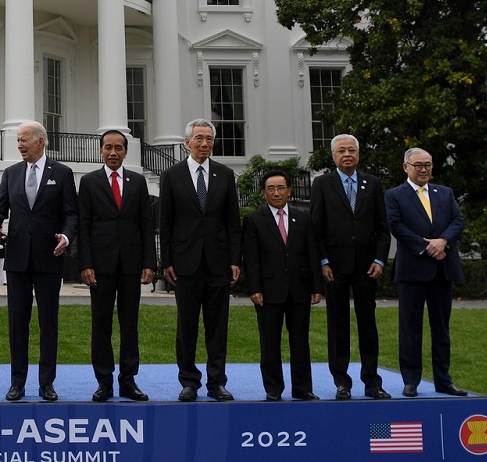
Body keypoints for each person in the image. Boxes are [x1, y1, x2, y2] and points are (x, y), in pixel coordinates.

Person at [0, 121, 78, 402]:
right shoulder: (11, 173)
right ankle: (17, 383)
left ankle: (46, 383)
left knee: (48, 322)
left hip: (50, 256)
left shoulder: (62, 173)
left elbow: (71, 214)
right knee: (17, 323)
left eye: (24, 140)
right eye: (18, 140)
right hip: (17, 259)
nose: (19, 145)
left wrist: (66, 236)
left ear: (40, 141)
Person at [159, 119, 241, 402]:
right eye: (199, 139)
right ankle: (189, 381)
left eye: (209, 139)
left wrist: (235, 259)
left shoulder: (225, 175)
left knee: (217, 326)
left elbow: (232, 222)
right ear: (187, 142)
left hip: (218, 262)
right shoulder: (172, 176)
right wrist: (167, 261)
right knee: (187, 326)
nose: (205, 144)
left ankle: (217, 382)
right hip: (185, 263)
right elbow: (165, 222)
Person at [309, 134, 392, 400]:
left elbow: (383, 228)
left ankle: (372, 381)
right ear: (333, 156)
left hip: (367, 266)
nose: (347, 155)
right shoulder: (322, 184)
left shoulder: (373, 183)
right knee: (338, 325)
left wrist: (380, 259)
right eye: (342, 151)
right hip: (334, 266)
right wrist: (323, 261)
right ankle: (341, 382)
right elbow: (316, 227)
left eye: (352, 150)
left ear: (358, 154)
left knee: (368, 324)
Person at [77, 130, 156, 402]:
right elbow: (84, 226)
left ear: (125, 152)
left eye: (118, 148)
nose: (113, 152)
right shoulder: (89, 182)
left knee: (129, 324)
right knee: (101, 325)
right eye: (108, 147)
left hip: (131, 264)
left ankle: (128, 380)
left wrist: (149, 262)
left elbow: (146, 224)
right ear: (101, 150)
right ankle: (104, 381)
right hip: (100, 266)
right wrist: (85, 264)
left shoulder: (138, 181)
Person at [385, 147, 468, 397]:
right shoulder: (394, 195)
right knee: (410, 328)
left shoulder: (445, 192)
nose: (424, 169)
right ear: (406, 167)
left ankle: (443, 380)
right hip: (412, 271)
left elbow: (458, 221)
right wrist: (427, 247)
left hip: (443, 269)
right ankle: (411, 381)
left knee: (441, 329)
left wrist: (443, 241)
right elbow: (396, 225)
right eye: (418, 165)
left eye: (428, 165)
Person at [242, 169, 322, 401]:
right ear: (263, 193)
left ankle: (302, 388)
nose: (276, 193)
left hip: (299, 290)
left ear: (289, 191)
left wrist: (316, 287)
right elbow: (251, 258)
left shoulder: (302, 218)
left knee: (300, 341)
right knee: (269, 342)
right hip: (268, 291)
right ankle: (273, 388)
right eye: (270, 189)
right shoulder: (254, 220)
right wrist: (254, 288)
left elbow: (312, 253)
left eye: (280, 188)